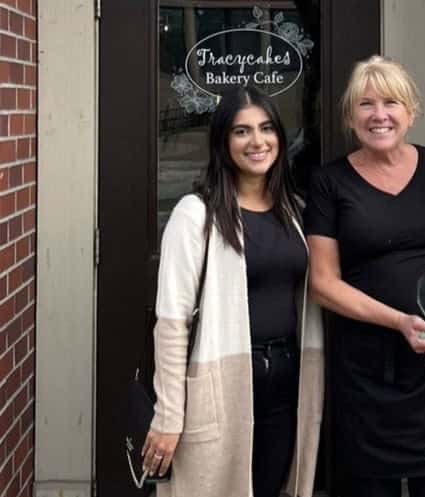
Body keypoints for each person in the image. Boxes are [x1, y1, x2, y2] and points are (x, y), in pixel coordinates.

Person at [142, 86, 324, 497]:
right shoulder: (196, 214)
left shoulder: (293, 211)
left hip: (287, 384)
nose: (257, 142)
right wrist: (169, 414)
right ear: (224, 143)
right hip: (220, 389)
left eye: (266, 129)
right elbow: (170, 324)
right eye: (241, 132)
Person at [305, 55, 425, 497]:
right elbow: (323, 282)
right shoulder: (329, 182)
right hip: (366, 367)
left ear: (411, 112)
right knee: (367, 486)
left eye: (392, 102)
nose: (379, 115)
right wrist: (399, 321)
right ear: (349, 117)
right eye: (366, 104)